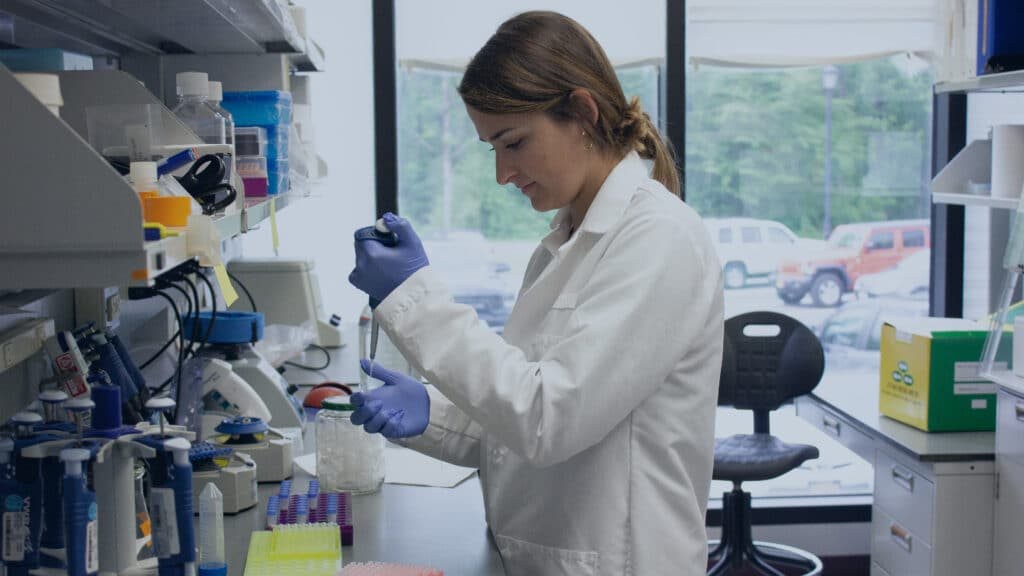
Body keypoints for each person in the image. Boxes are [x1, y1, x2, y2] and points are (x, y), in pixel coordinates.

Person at [349, 11, 723, 576]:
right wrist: (435, 415)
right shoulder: (564, 242)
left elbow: (550, 420)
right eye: (491, 148)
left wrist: (415, 298)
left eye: (514, 142)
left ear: (581, 112)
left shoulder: (659, 239)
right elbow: (523, 407)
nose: (503, 173)